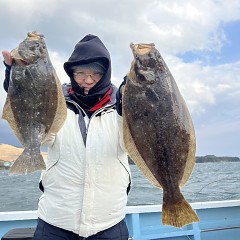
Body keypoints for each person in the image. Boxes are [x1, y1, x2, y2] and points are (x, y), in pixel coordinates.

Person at [2, 34, 131, 240]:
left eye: (95, 74)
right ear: (71, 73)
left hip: (109, 224)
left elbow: (131, 144)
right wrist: (18, 86)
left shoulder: (120, 108)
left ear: (106, 74)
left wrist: (130, 110)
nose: (87, 80)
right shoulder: (56, 102)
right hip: (55, 223)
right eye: (80, 73)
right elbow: (44, 138)